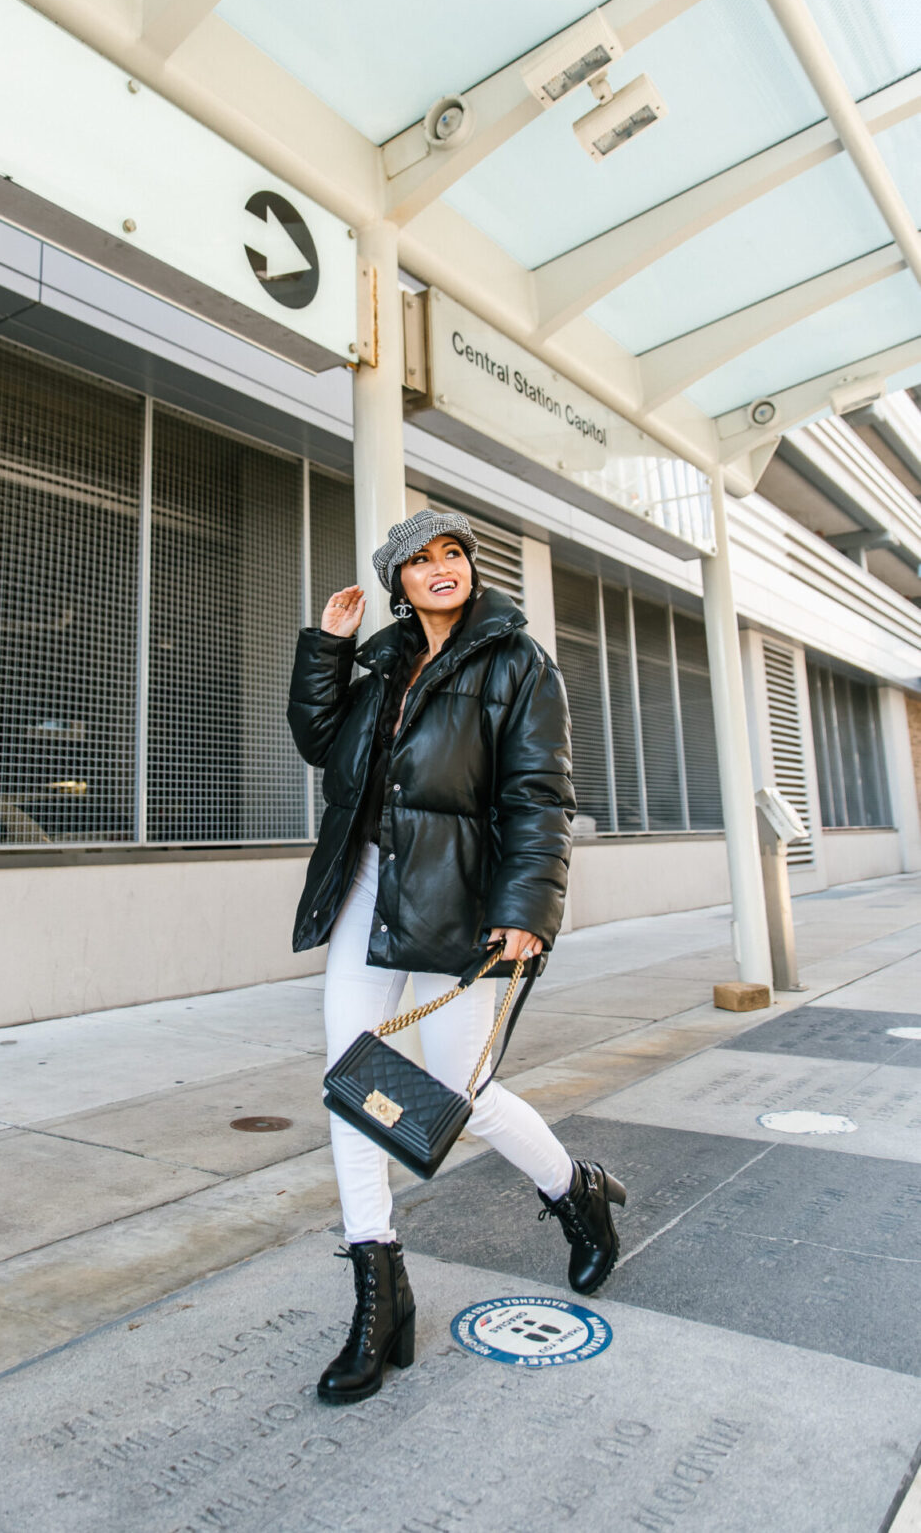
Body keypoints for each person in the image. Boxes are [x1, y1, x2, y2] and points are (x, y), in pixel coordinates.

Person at [287, 508, 626, 1406]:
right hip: (366, 886)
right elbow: (325, 747)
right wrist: (326, 646)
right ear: (397, 581)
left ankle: (576, 1193)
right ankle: (378, 1286)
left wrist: (527, 909)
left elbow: (539, 795)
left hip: (464, 905)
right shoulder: (384, 661)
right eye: (422, 560)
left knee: (461, 1096)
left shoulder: (519, 663)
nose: (442, 568)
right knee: (352, 1080)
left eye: (454, 554)